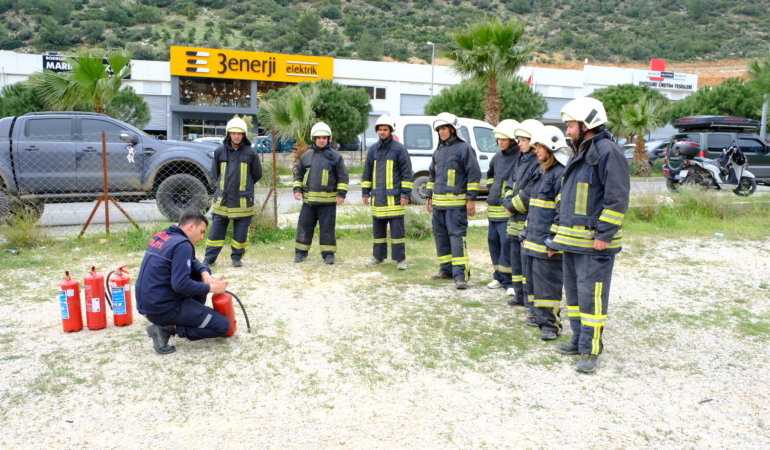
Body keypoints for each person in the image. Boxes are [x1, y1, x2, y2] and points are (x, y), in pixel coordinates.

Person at [551, 97, 630, 373]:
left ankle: (590, 349)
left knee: (591, 298)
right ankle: (578, 339)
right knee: (573, 296)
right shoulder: (580, 150)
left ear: (587, 125)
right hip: (572, 243)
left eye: (571, 125)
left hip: (594, 244)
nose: (567, 131)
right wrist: (556, 236)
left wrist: (605, 233)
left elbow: (617, 197)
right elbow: (568, 197)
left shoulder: (608, 151)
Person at [136, 210, 231, 355]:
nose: (202, 237)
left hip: (150, 303)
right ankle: (167, 329)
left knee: (198, 273)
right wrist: (212, 288)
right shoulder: (183, 245)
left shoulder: (164, 236)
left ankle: (187, 315)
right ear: (191, 226)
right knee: (223, 326)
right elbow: (180, 285)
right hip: (163, 308)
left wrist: (204, 272)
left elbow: (192, 261)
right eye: (201, 231)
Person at [519, 126, 570, 341]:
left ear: (551, 149)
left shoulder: (560, 175)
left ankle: (550, 325)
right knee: (533, 282)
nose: (535, 150)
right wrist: (525, 232)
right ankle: (537, 315)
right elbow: (534, 208)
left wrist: (554, 241)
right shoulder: (542, 173)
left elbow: (562, 212)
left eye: (539, 146)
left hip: (547, 242)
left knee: (547, 285)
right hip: (533, 240)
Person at [425, 112, 481, 290]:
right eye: (439, 129)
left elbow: (474, 174)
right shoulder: (438, 151)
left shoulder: (465, 148)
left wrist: (471, 200)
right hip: (439, 206)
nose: (441, 132)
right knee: (441, 238)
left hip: (456, 206)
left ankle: (460, 276)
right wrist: (428, 195)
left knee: (456, 239)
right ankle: (446, 270)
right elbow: (432, 175)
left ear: (453, 129)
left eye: (444, 128)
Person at [202, 116, 263, 268]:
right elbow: (216, 174)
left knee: (241, 233)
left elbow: (257, 174)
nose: (236, 136)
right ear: (229, 133)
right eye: (233, 133)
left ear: (243, 135)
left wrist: (244, 187)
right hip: (223, 200)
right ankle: (210, 259)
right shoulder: (219, 151)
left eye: (239, 133)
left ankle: (236, 258)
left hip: (243, 202)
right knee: (216, 232)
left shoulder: (251, 153)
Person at [293, 122, 349, 265]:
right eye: (318, 137)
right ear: (314, 139)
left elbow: (343, 176)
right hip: (309, 203)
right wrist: (297, 190)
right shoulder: (306, 156)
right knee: (304, 227)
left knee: (327, 229)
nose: (321, 140)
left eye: (324, 137)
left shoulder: (335, 157)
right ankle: (300, 253)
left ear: (328, 139)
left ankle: (328, 255)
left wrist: (341, 194)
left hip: (328, 203)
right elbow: (298, 173)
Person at [362, 115, 414, 270]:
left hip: (395, 200)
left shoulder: (399, 149)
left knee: (397, 232)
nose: (382, 132)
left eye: (385, 129)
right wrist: (365, 192)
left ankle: (400, 259)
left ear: (391, 131)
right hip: (378, 199)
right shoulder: (373, 149)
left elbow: (406, 173)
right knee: (378, 232)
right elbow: (367, 173)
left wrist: (405, 194)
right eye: (380, 129)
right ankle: (378, 257)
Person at [503, 119, 543, 315]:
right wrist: (509, 203)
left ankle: (529, 300)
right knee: (516, 263)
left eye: (523, 140)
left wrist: (512, 207)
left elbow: (529, 192)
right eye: (519, 140)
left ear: (534, 141)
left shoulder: (538, 163)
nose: (519, 143)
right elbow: (510, 185)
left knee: (527, 265)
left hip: (526, 221)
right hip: (515, 222)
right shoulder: (521, 159)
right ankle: (519, 295)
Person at [485, 119, 520, 298]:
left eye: (503, 139)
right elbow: (490, 175)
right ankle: (498, 277)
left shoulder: (519, 157)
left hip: (507, 211)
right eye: (498, 139)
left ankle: (510, 281)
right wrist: (492, 188)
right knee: (494, 244)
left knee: (507, 246)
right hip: (493, 211)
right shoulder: (497, 157)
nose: (500, 142)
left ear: (512, 140)